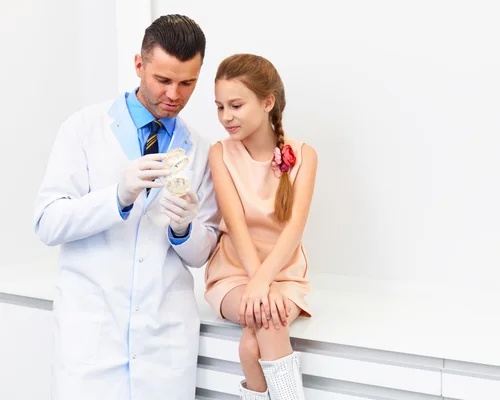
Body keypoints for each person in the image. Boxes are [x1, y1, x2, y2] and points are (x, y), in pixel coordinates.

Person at [33, 14, 220, 400]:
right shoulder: (83, 129)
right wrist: (115, 197)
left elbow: (203, 254)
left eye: (188, 83)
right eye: (163, 80)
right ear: (139, 64)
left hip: (163, 341)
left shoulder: (199, 149)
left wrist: (185, 229)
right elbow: (47, 223)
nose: (174, 94)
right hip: (92, 337)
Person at [205, 53, 318, 400]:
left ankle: (255, 383)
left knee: (257, 336)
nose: (227, 117)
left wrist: (265, 282)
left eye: (236, 105)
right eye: (220, 107)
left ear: (267, 102)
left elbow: (294, 230)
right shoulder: (220, 153)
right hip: (234, 275)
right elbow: (237, 228)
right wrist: (256, 284)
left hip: (284, 274)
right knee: (268, 317)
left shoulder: (305, 155)